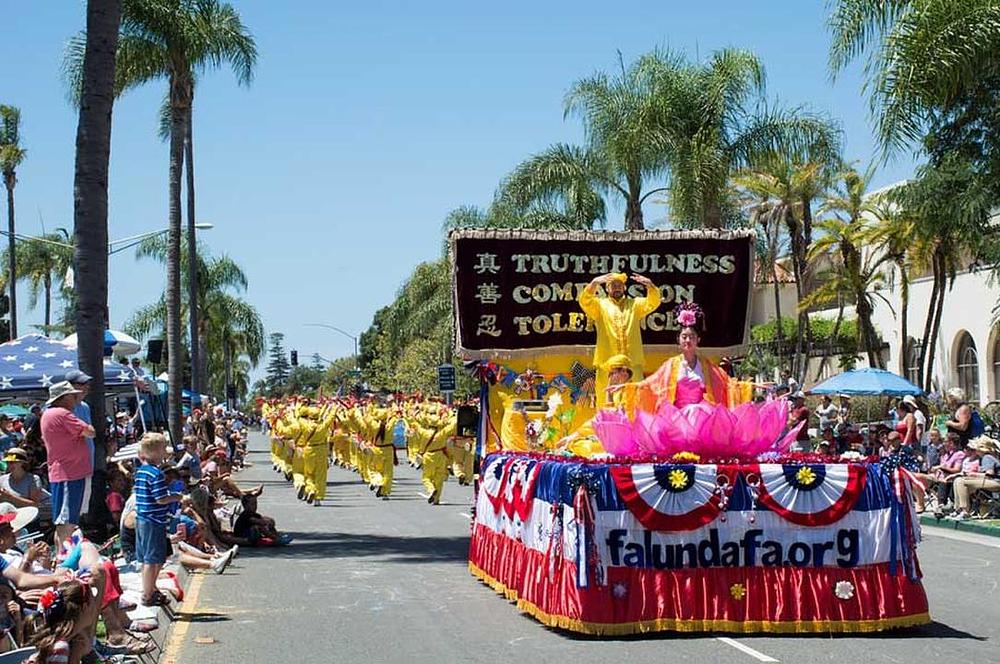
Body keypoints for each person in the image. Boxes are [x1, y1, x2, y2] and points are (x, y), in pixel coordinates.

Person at [633, 302, 754, 413]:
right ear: (678, 340)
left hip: (701, 415)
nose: (688, 340)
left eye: (691, 337)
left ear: (698, 340)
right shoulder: (671, 365)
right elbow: (651, 385)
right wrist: (629, 387)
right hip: (677, 416)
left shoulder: (705, 365)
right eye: (684, 337)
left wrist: (747, 386)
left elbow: (727, 384)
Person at [578, 272, 661, 406]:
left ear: (625, 288)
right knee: (605, 404)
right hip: (607, 365)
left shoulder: (635, 305)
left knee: (636, 402)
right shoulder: (599, 306)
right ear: (607, 289)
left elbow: (653, 302)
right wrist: (594, 283)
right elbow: (585, 301)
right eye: (613, 285)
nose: (617, 288)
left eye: (620, 285)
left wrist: (650, 286)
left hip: (632, 364)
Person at [40, 382, 95, 546]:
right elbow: (90, 432)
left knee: (65, 523)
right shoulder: (62, 414)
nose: (76, 398)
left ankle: (62, 558)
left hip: (67, 473)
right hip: (69, 474)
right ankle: (65, 563)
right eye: (73, 395)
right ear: (63, 398)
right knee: (67, 523)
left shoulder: (49, 413)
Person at [133, 433, 181, 608]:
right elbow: (160, 498)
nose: (164, 454)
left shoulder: (140, 472)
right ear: (154, 453)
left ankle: (151, 587)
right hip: (153, 520)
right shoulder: (155, 474)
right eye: (162, 450)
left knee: (157, 558)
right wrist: (176, 496)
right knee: (151, 560)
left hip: (145, 519)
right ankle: (147, 594)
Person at [64, 371, 95, 520]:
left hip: (87, 464)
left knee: (82, 508)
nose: (86, 387)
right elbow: (88, 431)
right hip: (71, 467)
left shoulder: (85, 407)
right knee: (69, 511)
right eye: (82, 384)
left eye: (86, 384)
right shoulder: (62, 408)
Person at [949, 436, 1000, 521]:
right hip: (990, 481)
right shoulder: (983, 458)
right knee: (958, 480)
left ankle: (965, 511)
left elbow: (989, 474)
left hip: (996, 482)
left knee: (962, 482)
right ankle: (958, 509)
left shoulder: (987, 457)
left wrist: (972, 474)